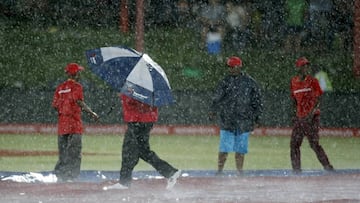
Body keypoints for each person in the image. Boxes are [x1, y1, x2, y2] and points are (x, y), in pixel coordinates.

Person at [104, 94, 181, 190]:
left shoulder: (136, 86)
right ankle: (170, 172)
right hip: (143, 120)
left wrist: (125, 97)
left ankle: (124, 182)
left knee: (130, 151)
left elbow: (137, 101)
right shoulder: (147, 86)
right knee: (142, 151)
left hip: (138, 120)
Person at [209, 56, 263, 175]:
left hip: (243, 120)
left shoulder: (250, 82)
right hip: (228, 120)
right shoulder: (225, 81)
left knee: (240, 150)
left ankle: (240, 171)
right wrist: (213, 110)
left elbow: (256, 100)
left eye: (232, 67)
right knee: (224, 149)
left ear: (239, 67)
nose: (230, 69)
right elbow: (217, 97)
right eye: (229, 67)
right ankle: (219, 171)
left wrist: (257, 116)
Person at [52, 63, 99, 182]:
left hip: (63, 125)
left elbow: (55, 106)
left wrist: (64, 110)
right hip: (74, 124)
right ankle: (72, 177)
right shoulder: (77, 87)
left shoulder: (60, 88)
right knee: (75, 152)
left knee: (63, 152)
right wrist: (91, 113)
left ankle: (60, 175)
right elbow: (79, 102)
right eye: (78, 72)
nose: (80, 74)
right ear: (75, 73)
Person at [290, 57, 334, 173]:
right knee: (294, 144)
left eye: (307, 66)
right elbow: (294, 100)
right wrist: (295, 115)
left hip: (312, 118)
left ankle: (328, 167)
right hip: (300, 118)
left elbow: (319, 99)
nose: (306, 68)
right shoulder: (293, 82)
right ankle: (296, 170)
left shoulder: (313, 81)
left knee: (314, 144)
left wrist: (311, 114)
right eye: (303, 66)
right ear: (298, 68)